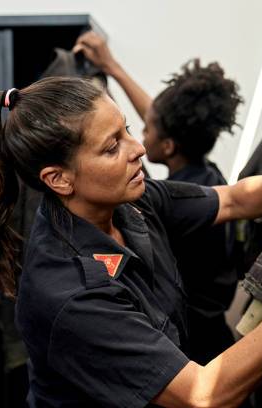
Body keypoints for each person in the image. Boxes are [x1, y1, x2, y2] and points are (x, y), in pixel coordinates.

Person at [0, 76, 262, 407]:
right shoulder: (70, 294)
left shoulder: (132, 202)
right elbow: (205, 393)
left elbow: (230, 198)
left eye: (126, 130)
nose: (138, 148)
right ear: (59, 179)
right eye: (112, 147)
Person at [73, 32, 243, 363]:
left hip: (196, 349)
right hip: (210, 335)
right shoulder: (206, 174)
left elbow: (154, 133)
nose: (137, 141)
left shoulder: (174, 205)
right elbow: (161, 120)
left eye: (143, 132)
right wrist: (114, 69)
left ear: (167, 147)